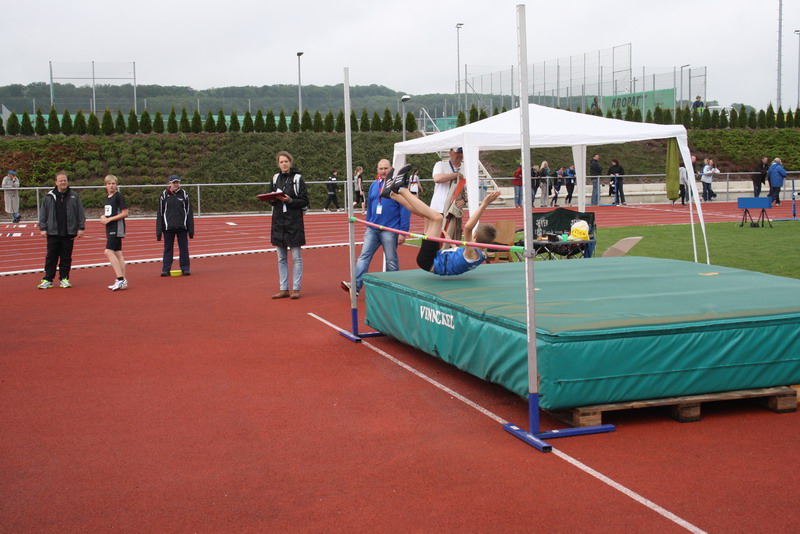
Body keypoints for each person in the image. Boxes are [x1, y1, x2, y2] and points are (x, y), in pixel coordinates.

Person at [381, 166, 500, 277]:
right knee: (427, 216)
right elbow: (459, 256)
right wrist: (449, 239)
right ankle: (391, 194)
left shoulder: (471, 252)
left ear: (475, 235)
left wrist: (484, 204)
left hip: (430, 261)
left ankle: (401, 189)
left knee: (437, 218)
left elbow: (468, 228)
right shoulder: (481, 255)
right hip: (433, 258)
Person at [341, 159, 410, 296]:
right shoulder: (374, 185)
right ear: (377, 170)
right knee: (363, 256)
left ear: (391, 169)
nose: (383, 171)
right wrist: (368, 226)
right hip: (373, 229)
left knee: (391, 260)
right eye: (381, 168)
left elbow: (405, 209)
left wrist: (403, 232)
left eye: (386, 168)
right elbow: (371, 207)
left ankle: (392, 289)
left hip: (390, 229)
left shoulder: (397, 186)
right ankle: (355, 286)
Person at [269, 151, 309, 299]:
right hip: (278, 222)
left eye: (286, 161)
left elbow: (305, 201)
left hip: (294, 222)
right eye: (281, 162)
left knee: (296, 258)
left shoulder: (298, 179)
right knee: (281, 258)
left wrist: (290, 200)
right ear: (278, 164)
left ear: (290, 162)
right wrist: (272, 198)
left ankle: (296, 289)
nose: (284, 164)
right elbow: (271, 198)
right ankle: (283, 288)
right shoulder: (275, 178)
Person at [37, 171, 85, 289]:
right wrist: (43, 227)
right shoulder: (49, 196)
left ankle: (64, 278)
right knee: (51, 257)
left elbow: (80, 213)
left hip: (68, 232)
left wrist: (81, 227)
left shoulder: (74, 196)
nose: (63, 182)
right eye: (61, 181)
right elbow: (43, 213)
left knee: (66, 257)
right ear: (56, 182)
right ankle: (48, 279)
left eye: (65, 180)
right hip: (53, 232)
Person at [156, 175, 194, 276]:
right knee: (168, 248)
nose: (176, 184)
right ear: (170, 183)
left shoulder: (184, 194)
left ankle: (185, 268)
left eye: (177, 182)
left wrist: (191, 229)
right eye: (174, 183)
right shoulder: (164, 195)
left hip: (182, 227)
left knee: (184, 248)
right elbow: (160, 214)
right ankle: (166, 269)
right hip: (168, 227)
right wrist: (159, 231)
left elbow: (189, 212)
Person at [100, 175, 129, 291]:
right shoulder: (107, 198)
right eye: (109, 184)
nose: (111, 186)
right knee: (117, 253)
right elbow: (109, 213)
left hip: (117, 227)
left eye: (113, 183)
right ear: (105, 185)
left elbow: (125, 213)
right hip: (110, 227)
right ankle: (123, 280)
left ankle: (120, 279)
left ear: (116, 185)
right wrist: (103, 217)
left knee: (108, 251)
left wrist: (110, 219)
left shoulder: (119, 197)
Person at [430, 147, 463, 215]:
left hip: (455, 209)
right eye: (457, 152)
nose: (460, 154)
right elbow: (437, 179)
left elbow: (470, 188)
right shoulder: (440, 164)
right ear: (450, 152)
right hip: (438, 208)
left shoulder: (466, 168)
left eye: (462, 152)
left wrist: (464, 200)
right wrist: (456, 175)